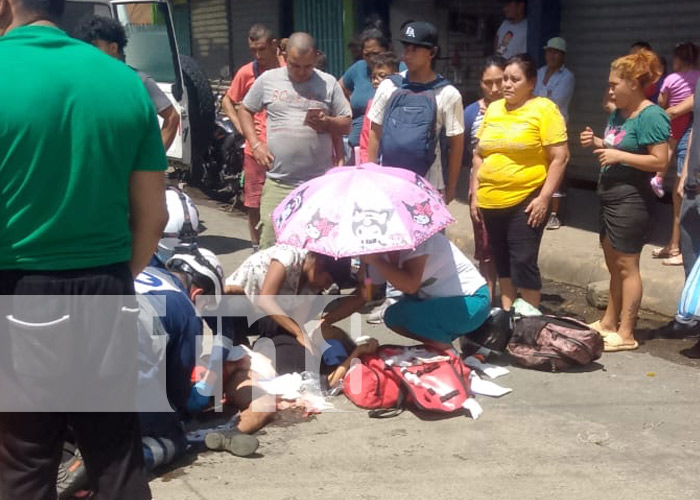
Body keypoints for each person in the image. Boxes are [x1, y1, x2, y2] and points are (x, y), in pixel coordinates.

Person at [0, 0, 168, 498]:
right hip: (106, 282)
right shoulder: (122, 81)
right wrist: (119, 275)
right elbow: (153, 217)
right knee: (114, 452)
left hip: (18, 285)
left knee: (24, 458)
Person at [580, 49, 670, 352]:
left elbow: (660, 161)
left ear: (633, 83)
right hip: (609, 193)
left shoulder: (651, 115)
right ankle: (608, 322)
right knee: (613, 262)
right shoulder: (619, 113)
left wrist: (618, 155)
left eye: (614, 84)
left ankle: (627, 332)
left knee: (628, 265)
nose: (609, 90)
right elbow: (618, 144)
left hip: (632, 199)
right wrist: (598, 142)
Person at [471, 54, 570, 311]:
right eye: (505, 78)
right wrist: (476, 193)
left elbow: (560, 157)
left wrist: (545, 197)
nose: (506, 85)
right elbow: (479, 154)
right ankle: (508, 317)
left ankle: (530, 322)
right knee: (502, 262)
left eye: (515, 79)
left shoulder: (544, 109)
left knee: (523, 261)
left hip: (526, 198)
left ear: (531, 83)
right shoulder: (493, 109)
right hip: (491, 200)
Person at [238, 32, 352, 250]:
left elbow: (346, 122)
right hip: (279, 182)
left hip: (318, 184)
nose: (301, 73)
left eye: (307, 67)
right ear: (283, 56)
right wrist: (255, 144)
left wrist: (327, 122)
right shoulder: (268, 80)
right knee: (271, 246)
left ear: (316, 57)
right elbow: (245, 109)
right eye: (294, 66)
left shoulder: (328, 83)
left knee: (315, 248)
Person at [224, 245, 377, 386]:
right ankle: (238, 345)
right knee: (266, 320)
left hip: (268, 314)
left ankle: (267, 346)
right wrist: (298, 333)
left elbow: (365, 296)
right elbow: (265, 300)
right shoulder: (288, 257)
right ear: (319, 265)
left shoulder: (312, 285)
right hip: (241, 305)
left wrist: (306, 337)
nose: (326, 286)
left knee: (291, 333)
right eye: (328, 280)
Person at [367, 21, 465, 204]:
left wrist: (451, 187)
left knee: (430, 234)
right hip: (389, 180)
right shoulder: (388, 86)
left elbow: (456, 143)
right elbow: (375, 131)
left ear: (432, 53)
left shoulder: (448, 94)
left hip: (429, 184)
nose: (407, 55)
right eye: (406, 48)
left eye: (415, 49)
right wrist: (371, 172)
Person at [360, 233, 491, 349]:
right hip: (443, 304)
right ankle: (437, 346)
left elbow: (410, 285)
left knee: (405, 314)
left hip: (472, 302)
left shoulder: (420, 239)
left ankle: (447, 353)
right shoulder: (381, 254)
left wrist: (375, 261)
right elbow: (365, 294)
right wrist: (363, 269)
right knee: (392, 315)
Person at [74, 15, 180, 152]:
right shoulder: (83, 84)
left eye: (95, 46)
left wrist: (153, 159)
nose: (89, 53)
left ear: (113, 48)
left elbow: (172, 117)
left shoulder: (139, 81)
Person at [222, 24, 281, 253]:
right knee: (254, 202)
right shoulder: (247, 72)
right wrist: (242, 129)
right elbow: (228, 100)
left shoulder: (290, 69)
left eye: (262, 49)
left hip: (284, 150)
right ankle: (257, 248)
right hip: (255, 150)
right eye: (253, 50)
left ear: (274, 45)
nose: (258, 56)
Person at [651, 42, 700, 265]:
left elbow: (664, 104)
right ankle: (674, 245)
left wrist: (672, 109)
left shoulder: (672, 80)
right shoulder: (697, 79)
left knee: (681, 194)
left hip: (680, 134)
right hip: (685, 137)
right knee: (679, 193)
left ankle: (679, 249)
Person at [464, 56, 506, 305]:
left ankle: (511, 304)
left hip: (513, 191)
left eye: (499, 81)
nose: (494, 89)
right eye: (487, 83)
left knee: (510, 251)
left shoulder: (523, 110)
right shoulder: (471, 112)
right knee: (486, 253)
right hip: (480, 188)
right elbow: (467, 153)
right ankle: (488, 304)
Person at [340, 26, 405, 163]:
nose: (371, 58)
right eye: (366, 54)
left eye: (376, 53)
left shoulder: (402, 70)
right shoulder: (358, 68)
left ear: (388, 49)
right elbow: (338, 89)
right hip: (357, 148)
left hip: (387, 152)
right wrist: (347, 112)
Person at [534, 36, 575, 231]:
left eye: (555, 52)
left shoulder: (567, 77)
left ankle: (554, 214)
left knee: (556, 166)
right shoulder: (539, 72)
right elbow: (532, 97)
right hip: (535, 127)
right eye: (549, 51)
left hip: (556, 127)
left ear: (562, 55)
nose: (551, 55)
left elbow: (555, 101)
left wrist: (539, 100)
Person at [358, 51, 401, 164]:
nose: (376, 80)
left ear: (396, 76)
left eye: (382, 76)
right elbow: (366, 138)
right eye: (373, 77)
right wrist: (368, 165)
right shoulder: (372, 104)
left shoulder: (403, 103)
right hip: (375, 163)